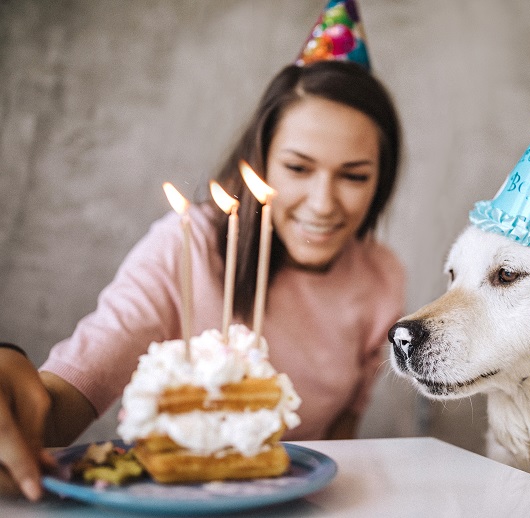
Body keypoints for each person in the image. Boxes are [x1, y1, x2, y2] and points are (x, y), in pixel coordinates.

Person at [0, 42, 405, 502]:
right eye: (297, 167)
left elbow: (340, 440)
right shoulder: (185, 245)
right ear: (261, 159)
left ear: (381, 180)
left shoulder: (383, 278)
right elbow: (58, 405)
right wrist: (14, 386)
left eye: (354, 176)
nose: (323, 203)